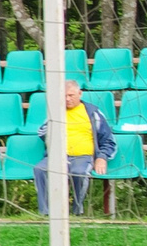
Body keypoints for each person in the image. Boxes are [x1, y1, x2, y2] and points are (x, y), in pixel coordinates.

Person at [35, 80, 117, 216]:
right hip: (57, 156)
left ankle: (76, 212)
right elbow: (42, 132)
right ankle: (45, 213)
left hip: (83, 157)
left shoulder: (92, 113)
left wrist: (102, 158)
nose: (67, 99)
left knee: (79, 173)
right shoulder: (55, 112)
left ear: (80, 94)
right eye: (64, 96)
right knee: (39, 170)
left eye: (71, 95)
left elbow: (109, 140)